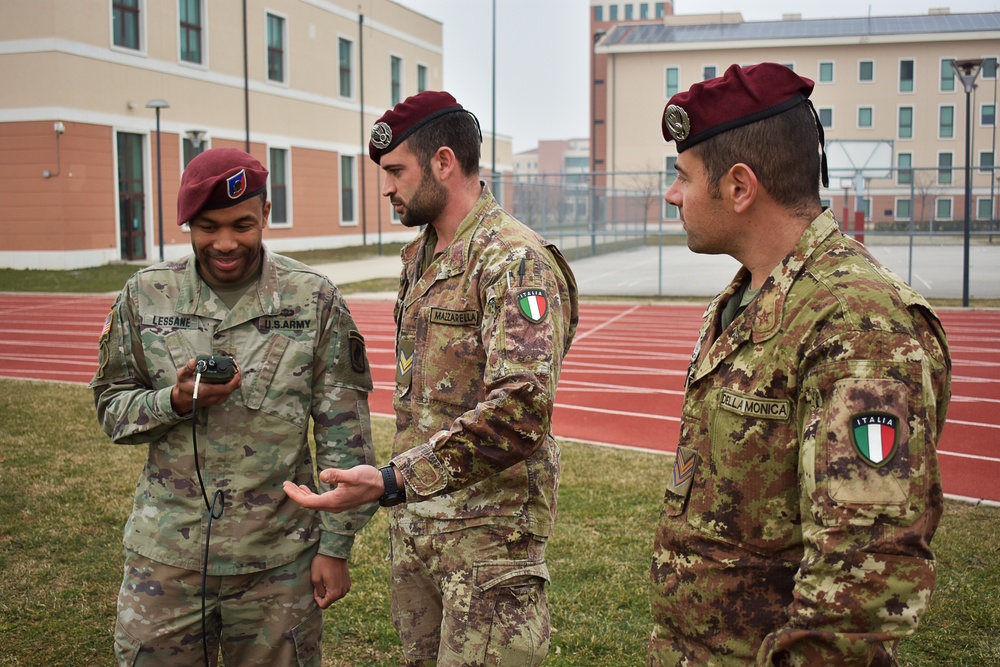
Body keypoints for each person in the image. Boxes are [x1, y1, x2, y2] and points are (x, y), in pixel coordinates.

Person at [649, 63, 952, 666]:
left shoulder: (857, 323)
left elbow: (864, 574)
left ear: (739, 187)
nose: (672, 194)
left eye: (682, 177)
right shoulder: (748, 297)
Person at [284, 90, 579, 666]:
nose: (386, 187)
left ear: (444, 162)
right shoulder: (420, 257)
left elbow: (520, 411)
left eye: (396, 171)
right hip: (420, 534)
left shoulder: (512, 260)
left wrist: (393, 480)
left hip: (489, 548)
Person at [90, 147, 377, 666]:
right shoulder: (146, 296)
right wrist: (172, 401)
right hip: (166, 559)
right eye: (207, 227)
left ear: (266, 214)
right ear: (188, 225)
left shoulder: (314, 300)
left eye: (243, 224)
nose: (226, 243)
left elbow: (345, 437)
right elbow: (112, 408)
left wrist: (335, 547)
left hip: (278, 563)